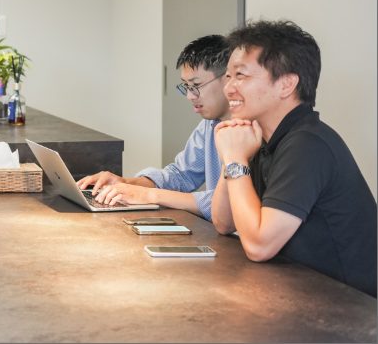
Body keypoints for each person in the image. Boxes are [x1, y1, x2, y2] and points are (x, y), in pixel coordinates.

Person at [212, 19, 376, 296]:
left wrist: (236, 158)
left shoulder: (308, 143)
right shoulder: (262, 137)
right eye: (227, 76)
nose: (228, 88)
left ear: (286, 84)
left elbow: (259, 246)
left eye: (240, 75)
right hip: (300, 292)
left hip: (351, 306)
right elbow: (223, 222)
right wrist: (232, 156)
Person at [77, 35, 230, 221]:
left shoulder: (253, 131)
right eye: (186, 86)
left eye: (196, 85)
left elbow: (227, 206)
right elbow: (181, 176)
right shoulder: (209, 125)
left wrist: (149, 195)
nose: (190, 96)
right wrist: (127, 183)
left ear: (228, 79)